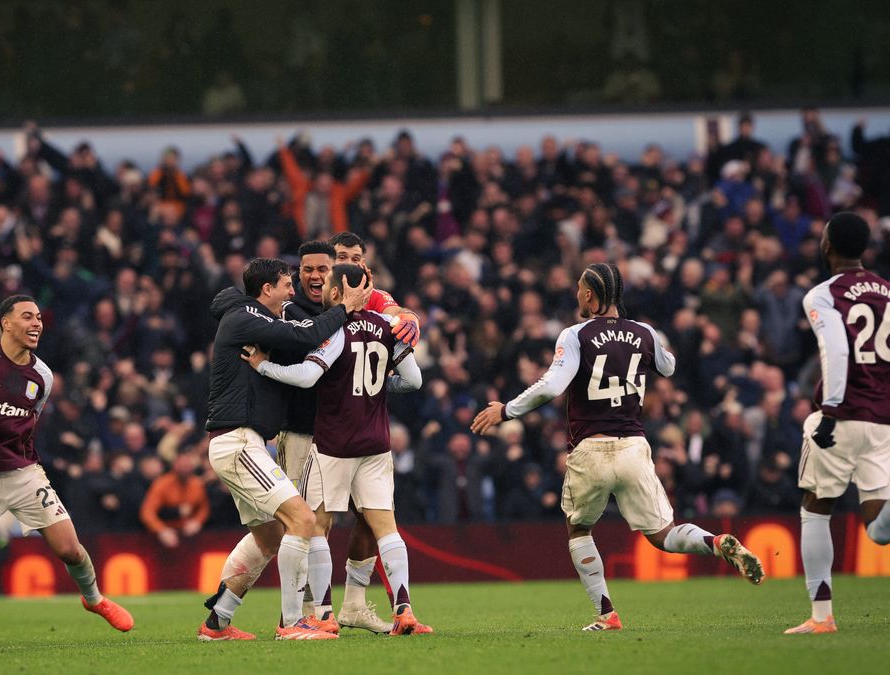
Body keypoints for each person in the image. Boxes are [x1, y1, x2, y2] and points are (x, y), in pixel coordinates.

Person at [470, 262, 765, 632]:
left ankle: (607, 613)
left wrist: (507, 410)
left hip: (591, 449)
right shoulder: (644, 332)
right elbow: (669, 368)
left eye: (580, 288)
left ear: (590, 294)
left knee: (579, 530)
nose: (577, 294)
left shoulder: (575, 335)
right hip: (633, 447)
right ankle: (715, 541)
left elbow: (550, 386)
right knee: (664, 534)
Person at [0, 295, 133, 643]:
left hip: (23, 474)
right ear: (6, 322)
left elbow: (30, 422)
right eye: (27, 317)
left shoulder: (43, 376)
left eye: (38, 318)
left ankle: (94, 600)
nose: (37, 324)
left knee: (70, 548)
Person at [242, 263, 430, 636]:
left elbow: (308, 376)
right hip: (376, 443)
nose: (323, 288)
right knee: (386, 528)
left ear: (339, 290)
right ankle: (404, 610)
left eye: (329, 282)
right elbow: (414, 380)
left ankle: (325, 613)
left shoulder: (336, 329)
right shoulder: (386, 327)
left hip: (333, 444)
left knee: (316, 526)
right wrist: (376, 390)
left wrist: (264, 367)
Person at [197, 257, 369, 641]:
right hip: (239, 441)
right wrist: (343, 309)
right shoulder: (245, 317)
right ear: (267, 290)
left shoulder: (247, 315)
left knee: (270, 539)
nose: (292, 291)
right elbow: (302, 337)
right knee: (304, 520)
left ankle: (216, 623)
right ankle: (293, 623)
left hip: (242, 442)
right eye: (286, 285)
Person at [786, 212, 890, 634]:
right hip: (884, 420)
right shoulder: (888, 291)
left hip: (842, 415)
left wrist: (829, 409)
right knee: (879, 530)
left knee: (815, 508)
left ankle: (821, 617)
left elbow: (836, 351)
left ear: (827, 245)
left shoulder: (823, 294)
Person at [140, 453, 210, 547]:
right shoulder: (161, 484)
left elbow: (204, 508)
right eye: (181, 465)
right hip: (164, 536)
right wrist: (161, 530)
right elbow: (147, 512)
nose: (184, 469)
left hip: (190, 536)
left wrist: (197, 522)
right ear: (174, 466)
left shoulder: (197, 485)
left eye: (187, 466)